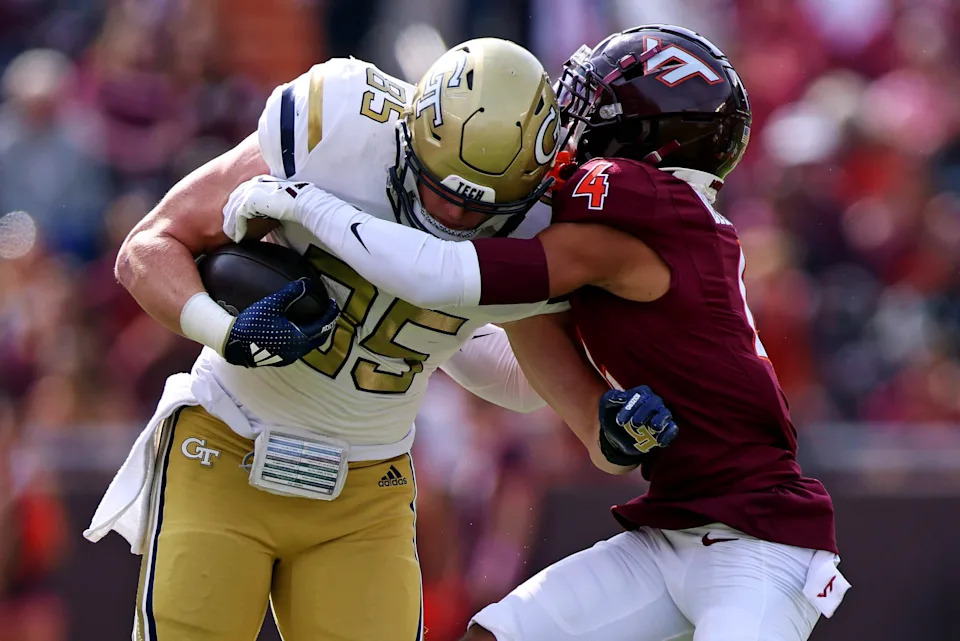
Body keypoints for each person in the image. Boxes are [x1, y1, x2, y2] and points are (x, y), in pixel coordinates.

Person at [224, 25, 850, 641]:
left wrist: (303, 204)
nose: (568, 122)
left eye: (592, 102)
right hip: (674, 530)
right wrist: (609, 424)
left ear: (647, 137)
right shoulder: (649, 218)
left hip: (763, 547)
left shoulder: (639, 208)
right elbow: (519, 366)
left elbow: (442, 275)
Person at [84, 37, 676, 641]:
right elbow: (148, 248)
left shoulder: (540, 223)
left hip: (365, 492)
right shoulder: (337, 127)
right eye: (437, 188)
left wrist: (617, 413)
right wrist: (227, 331)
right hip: (226, 446)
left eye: (474, 210)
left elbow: (525, 381)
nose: (447, 217)